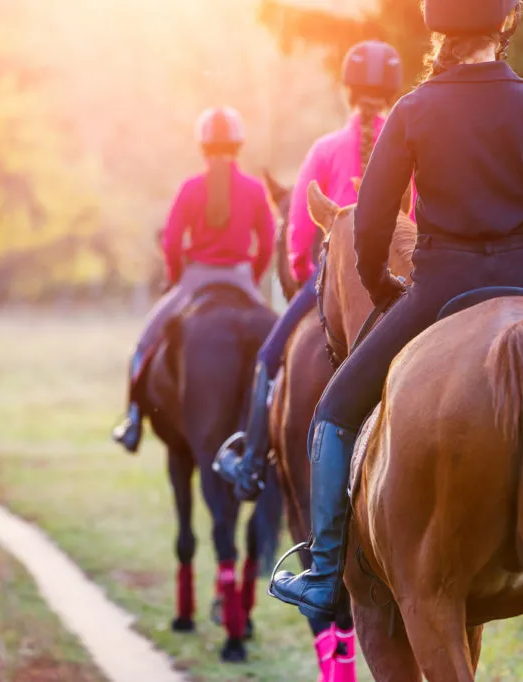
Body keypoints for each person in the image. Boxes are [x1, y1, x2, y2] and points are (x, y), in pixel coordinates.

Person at [269, 0, 523, 619]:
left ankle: (323, 573)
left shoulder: (413, 110)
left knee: (334, 413)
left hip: (436, 291)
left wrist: (380, 282)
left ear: (437, 28)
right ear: (506, 23)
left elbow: (370, 220)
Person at [214, 41, 405, 499]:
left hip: (333, 274)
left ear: (347, 92)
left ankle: (252, 462)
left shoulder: (324, 149)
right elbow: (415, 217)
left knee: (267, 358)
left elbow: (299, 230)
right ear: (391, 94)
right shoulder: (407, 146)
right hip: (400, 282)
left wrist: (304, 271)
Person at [112, 107, 275, 453]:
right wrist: (253, 278)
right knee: (280, 346)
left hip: (194, 279)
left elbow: (172, 243)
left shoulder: (190, 188)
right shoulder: (254, 190)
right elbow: (269, 241)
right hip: (242, 279)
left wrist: (177, 279)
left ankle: (132, 421)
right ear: (239, 145)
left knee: (142, 347)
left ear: (203, 147)